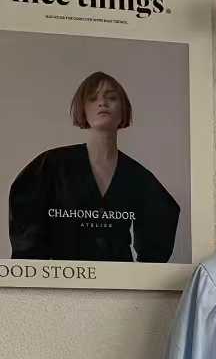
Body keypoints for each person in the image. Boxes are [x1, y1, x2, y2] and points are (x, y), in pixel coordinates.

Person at [8, 70, 180, 262]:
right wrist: (38, 273)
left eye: (111, 97)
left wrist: (144, 272)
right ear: (82, 109)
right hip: (65, 276)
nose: (102, 103)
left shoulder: (137, 176)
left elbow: (162, 219)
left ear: (123, 109)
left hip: (118, 277)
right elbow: (26, 226)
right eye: (92, 98)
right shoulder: (52, 165)